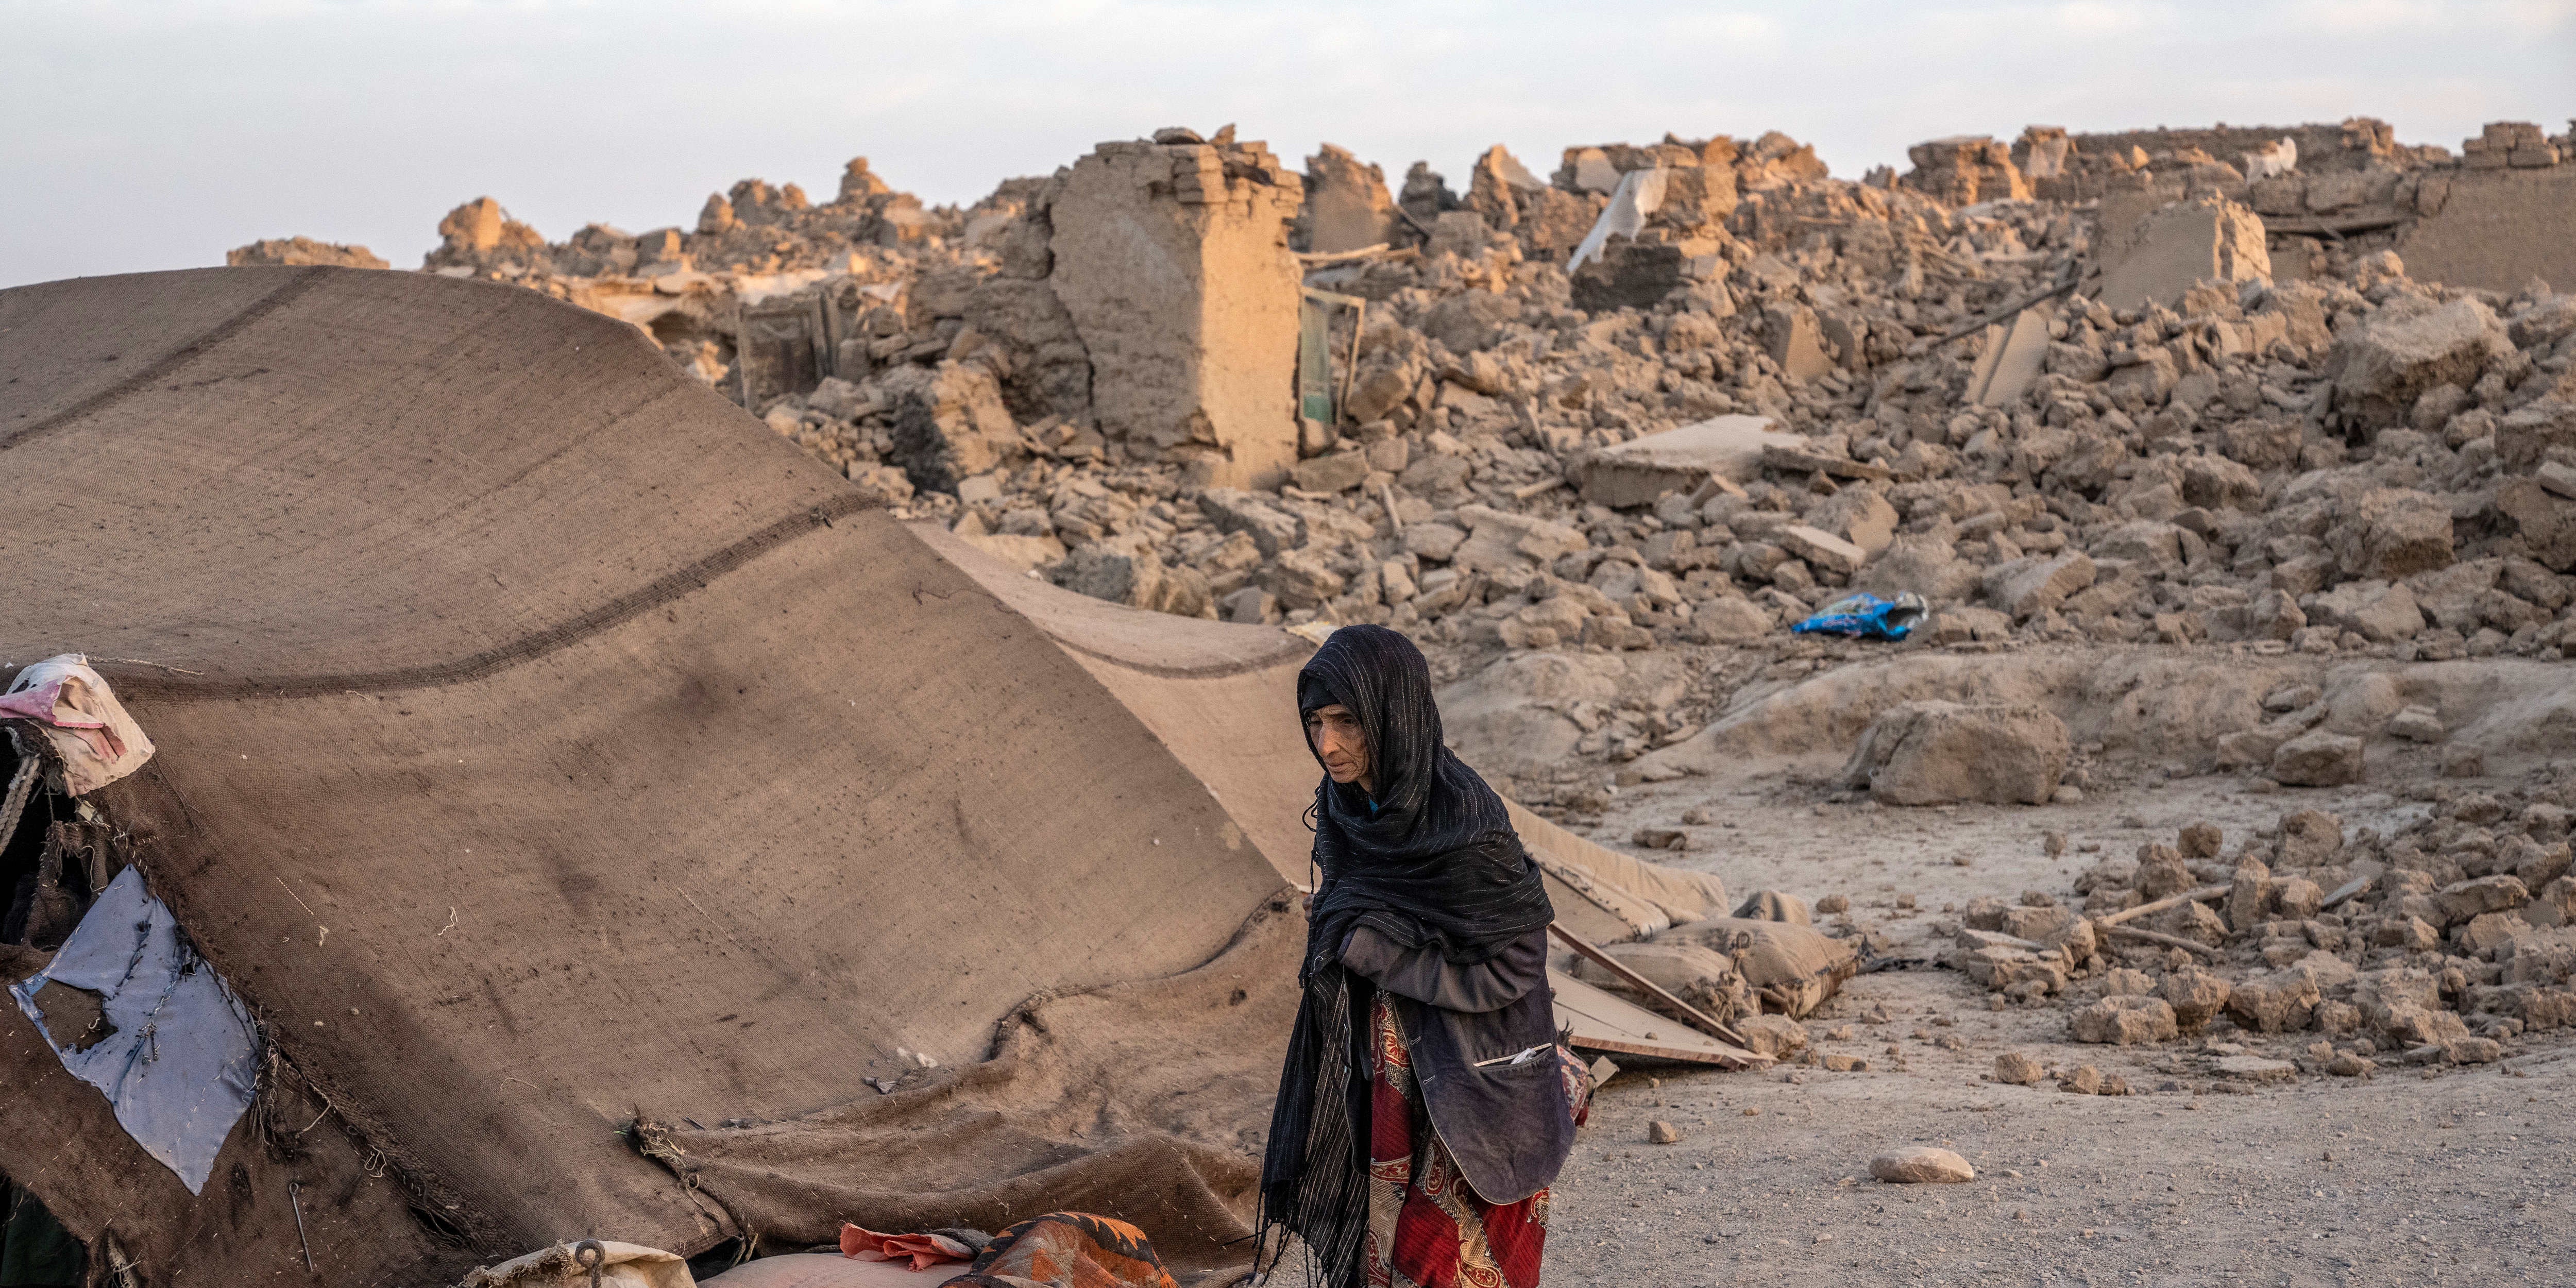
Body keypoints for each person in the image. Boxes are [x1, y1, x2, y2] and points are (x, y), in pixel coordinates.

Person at [1257, 625, 1584, 1288]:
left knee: (1448, 1259)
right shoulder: (1350, 807)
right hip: (1391, 1074)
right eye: (1315, 721)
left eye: (1347, 721)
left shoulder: (1464, 825)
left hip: (1478, 1067)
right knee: (1382, 1251)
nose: (1327, 745)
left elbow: (1516, 965)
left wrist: (1374, 952)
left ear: (1392, 712)